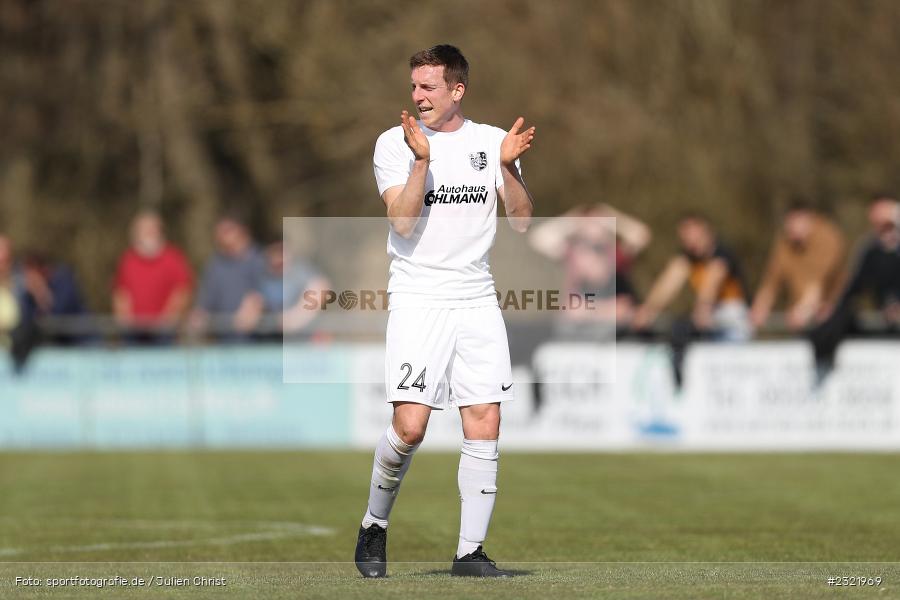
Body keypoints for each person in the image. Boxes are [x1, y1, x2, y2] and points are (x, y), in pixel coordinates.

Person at [354, 44, 535, 579]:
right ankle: (373, 525)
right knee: (409, 428)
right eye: (415, 86)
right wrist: (422, 161)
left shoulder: (491, 141)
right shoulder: (395, 143)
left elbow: (522, 222)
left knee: (485, 419)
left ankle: (469, 553)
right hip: (418, 298)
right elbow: (403, 222)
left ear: (458, 90)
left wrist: (508, 170)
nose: (418, 96)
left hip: (477, 296)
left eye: (429, 87)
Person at [631, 214, 750, 385]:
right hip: (709, 317)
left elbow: (712, 281)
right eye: (685, 236)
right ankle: (678, 375)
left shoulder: (721, 254)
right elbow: (668, 284)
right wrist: (648, 309)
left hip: (732, 318)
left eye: (693, 234)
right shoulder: (686, 258)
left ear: (707, 233)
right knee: (678, 328)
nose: (689, 241)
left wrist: (703, 307)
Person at [528, 203, 650, 330]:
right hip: (579, 331)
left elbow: (640, 235)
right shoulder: (573, 254)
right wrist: (572, 221)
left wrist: (611, 219)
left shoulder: (615, 255)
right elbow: (538, 239)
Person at [812, 197, 900, 371]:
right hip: (887, 327)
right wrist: (832, 308)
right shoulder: (870, 251)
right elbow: (853, 287)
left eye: (888, 225)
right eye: (878, 226)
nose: (884, 232)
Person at [750, 201, 846, 332]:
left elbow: (818, 281)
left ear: (809, 219)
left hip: (833, 313)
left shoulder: (828, 237)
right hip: (802, 316)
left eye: (796, 222)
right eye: (788, 223)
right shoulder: (785, 242)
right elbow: (771, 281)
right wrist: (760, 308)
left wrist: (803, 309)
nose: (791, 227)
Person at [113, 211, 193, 341]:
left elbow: (182, 292)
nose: (148, 234)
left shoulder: (173, 258)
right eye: (143, 230)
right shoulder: (128, 260)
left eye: (152, 230)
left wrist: (166, 320)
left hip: (164, 333)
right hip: (134, 332)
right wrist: (126, 320)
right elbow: (121, 294)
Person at [190, 215, 266, 340]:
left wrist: (254, 304)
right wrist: (197, 318)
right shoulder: (215, 265)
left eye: (227, 230)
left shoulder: (261, 260)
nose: (222, 236)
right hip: (225, 341)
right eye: (218, 232)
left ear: (243, 231)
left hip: (258, 341)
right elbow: (206, 301)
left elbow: (268, 293)